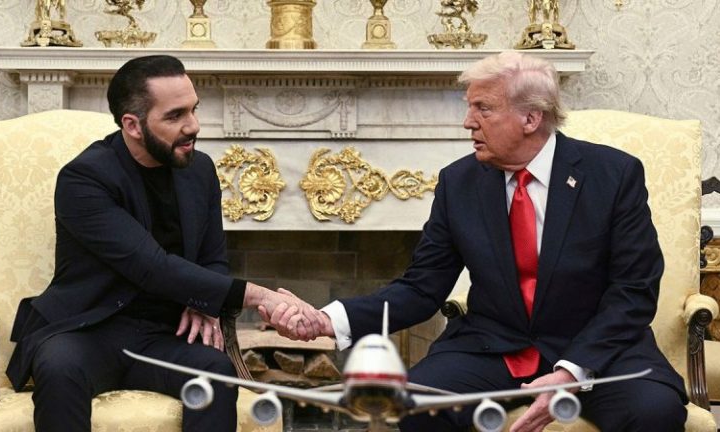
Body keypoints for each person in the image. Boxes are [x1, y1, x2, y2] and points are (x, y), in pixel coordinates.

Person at [267, 52, 688, 431]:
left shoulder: (613, 175)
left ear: (531, 118)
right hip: (493, 348)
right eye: (469, 107)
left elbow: (633, 291)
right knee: (416, 405)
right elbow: (422, 287)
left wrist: (571, 371)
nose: (468, 121)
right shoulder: (459, 182)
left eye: (483, 108)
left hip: (596, 349)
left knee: (654, 412)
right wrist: (328, 320)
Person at [6, 55, 320, 432]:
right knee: (59, 368)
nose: (193, 126)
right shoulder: (84, 179)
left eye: (193, 110)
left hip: (165, 336)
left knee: (215, 371)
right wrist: (261, 296)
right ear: (133, 125)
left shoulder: (199, 170)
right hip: (87, 330)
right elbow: (151, 266)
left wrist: (202, 302)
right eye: (175, 116)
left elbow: (213, 259)